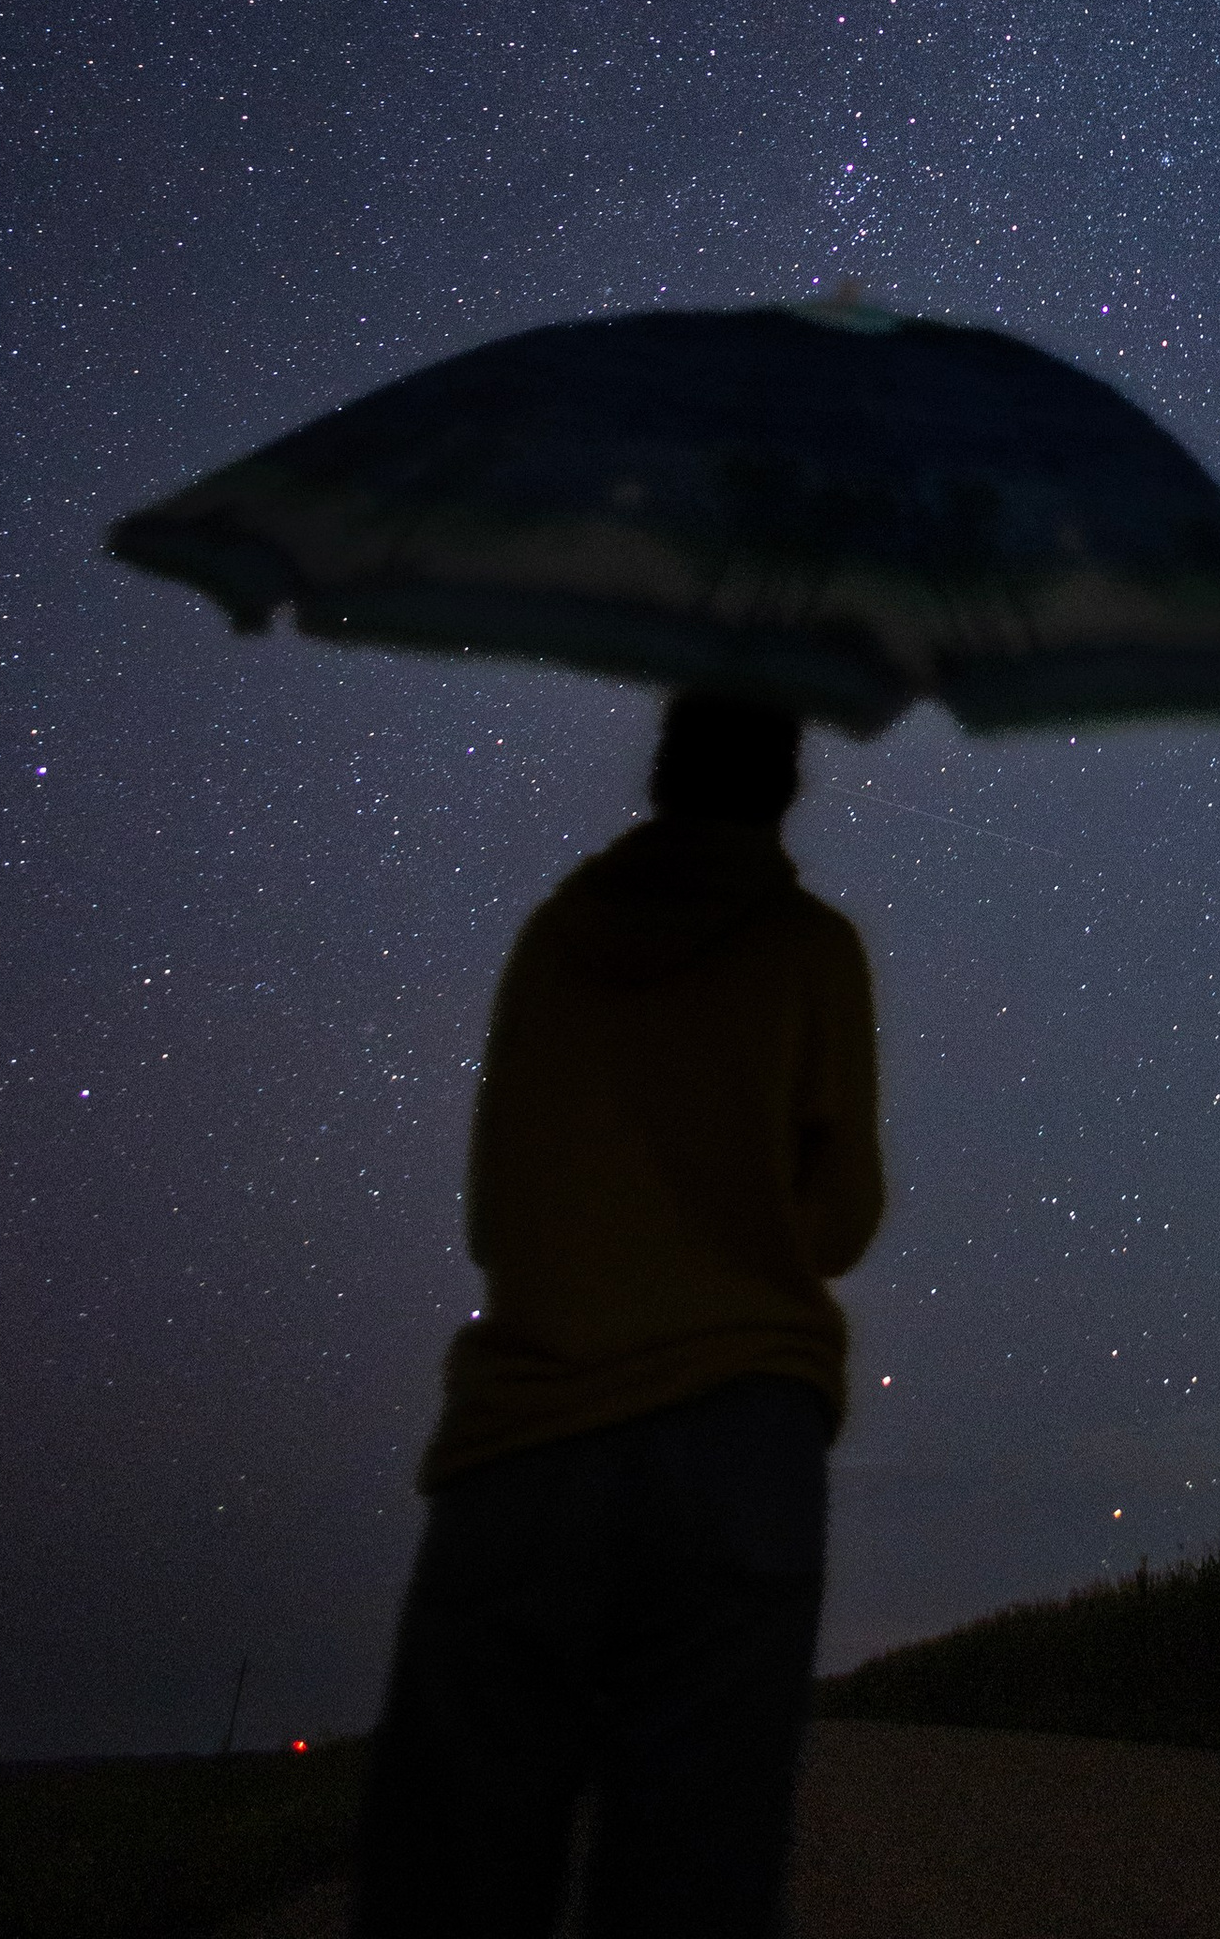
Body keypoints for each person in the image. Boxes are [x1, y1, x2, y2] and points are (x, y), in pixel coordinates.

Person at [353, 693, 884, 1939]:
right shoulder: (811, 948)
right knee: (693, 1868)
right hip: (739, 1440)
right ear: (785, 784)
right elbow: (842, 1219)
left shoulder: (558, 937)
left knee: (454, 1871)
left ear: (660, 773)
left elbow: (499, 1213)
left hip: (528, 1427)